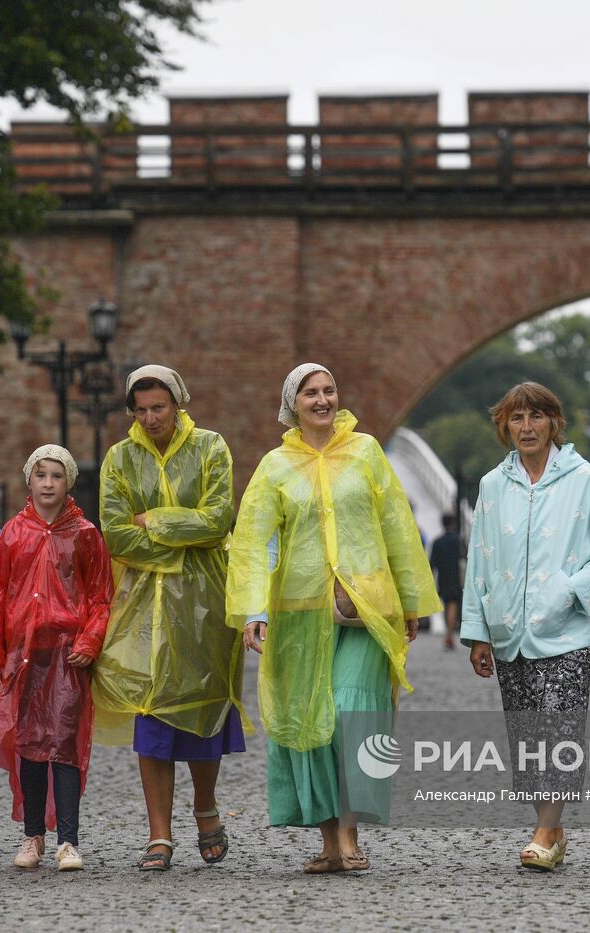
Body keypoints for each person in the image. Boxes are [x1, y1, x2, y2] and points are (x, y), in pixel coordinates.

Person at [228, 363, 439, 874]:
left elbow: (397, 526)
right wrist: (255, 609)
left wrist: (409, 600)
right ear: (292, 404)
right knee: (313, 724)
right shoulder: (275, 466)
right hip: (300, 614)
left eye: (329, 391)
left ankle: (348, 834)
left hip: (367, 609)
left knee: (351, 712)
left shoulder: (366, 452)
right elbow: (255, 541)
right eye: (310, 393)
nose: (322, 400)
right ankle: (327, 841)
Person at [460, 382, 590, 872]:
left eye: (536, 416)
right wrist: (478, 631)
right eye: (517, 418)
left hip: (567, 630)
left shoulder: (584, 477)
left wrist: (572, 591)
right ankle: (551, 829)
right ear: (504, 427)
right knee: (528, 735)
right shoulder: (493, 486)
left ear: (554, 423)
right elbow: (479, 563)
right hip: (508, 632)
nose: (527, 427)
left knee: (559, 728)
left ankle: (542, 830)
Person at [91, 365, 246, 871]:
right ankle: (159, 835)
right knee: (151, 715)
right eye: (141, 409)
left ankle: (205, 809)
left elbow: (218, 518)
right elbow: (115, 533)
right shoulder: (120, 458)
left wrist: (152, 520)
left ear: (177, 402)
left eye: (159, 406)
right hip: (142, 606)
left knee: (202, 712)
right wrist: (182, 537)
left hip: (205, 603)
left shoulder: (211, 447)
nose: (151, 417)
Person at [0, 445, 112, 872]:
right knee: (30, 745)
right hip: (24, 655)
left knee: (66, 745)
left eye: (56, 475)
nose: (48, 483)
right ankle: (33, 835)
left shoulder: (85, 533)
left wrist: (90, 640)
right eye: (41, 475)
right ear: (29, 480)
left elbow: (101, 595)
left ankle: (68, 840)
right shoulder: (12, 534)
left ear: (68, 481)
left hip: (68, 655)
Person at [428, 513, 464, 650]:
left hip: (443, 578)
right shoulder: (458, 540)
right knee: (453, 604)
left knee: (446, 604)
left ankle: (448, 633)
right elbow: (465, 558)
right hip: (456, 577)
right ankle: (449, 634)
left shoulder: (437, 542)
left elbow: (432, 564)